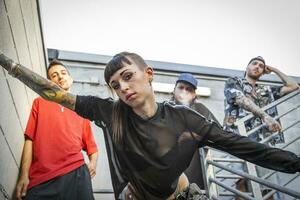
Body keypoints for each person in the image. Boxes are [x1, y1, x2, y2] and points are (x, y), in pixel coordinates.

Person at [1, 52, 300, 200]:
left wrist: (295, 164)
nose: (123, 88)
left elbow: (243, 146)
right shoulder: (110, 112)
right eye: (115, 85)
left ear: (149, 73)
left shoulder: (187, 120)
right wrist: (10, 66)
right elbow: (56, 94)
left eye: (128, 76)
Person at [14, 59, 98, 200]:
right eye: (54, 75)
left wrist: (93, 163)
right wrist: (23, 176)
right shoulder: (39, 103)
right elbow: (29, 139)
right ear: (50, 82)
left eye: (63, 73)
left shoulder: (81, 111)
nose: (59, 76)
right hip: (41, 180)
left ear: (70, 79)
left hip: (76, 173)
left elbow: (92, 147)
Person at [223, 56, 299, 199]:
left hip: (263, 142)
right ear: (247, 67)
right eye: (254, 63)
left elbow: (294, 86)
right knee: (241, 183)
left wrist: (274, 70)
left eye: (261, 66)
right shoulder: (234, 81)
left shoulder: (266, 91)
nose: (258, 66)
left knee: (267, 187)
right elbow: (240, 99)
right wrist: (265, 116)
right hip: (237, 139)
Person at [171, 73, 221, 189]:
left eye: (189, 89)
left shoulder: (200, 110)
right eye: (181, 87)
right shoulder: (163, 109)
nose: (184, 91)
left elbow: (217, 134)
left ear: (194, 95)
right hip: (167, 175)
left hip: (194, 176)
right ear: (174, 90)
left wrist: (191, 136)